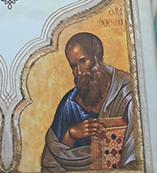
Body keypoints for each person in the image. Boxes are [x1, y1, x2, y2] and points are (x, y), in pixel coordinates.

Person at [41, 32, 136, 171]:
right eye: (73, 66)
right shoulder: (70, 103)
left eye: (82, 61)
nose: (79, 72)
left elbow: (134, 158)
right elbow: (51, 163)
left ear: (97, 57)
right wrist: (71, 134)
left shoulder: (127, 93)